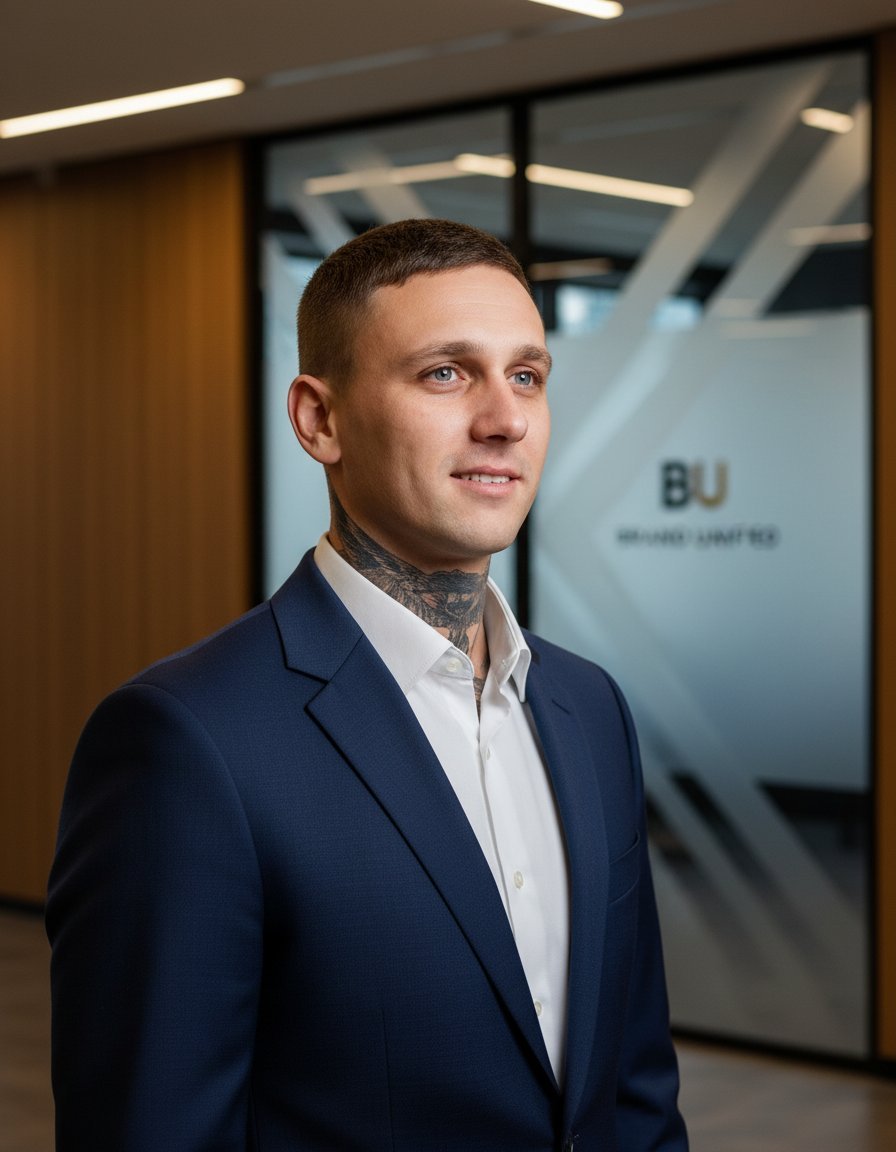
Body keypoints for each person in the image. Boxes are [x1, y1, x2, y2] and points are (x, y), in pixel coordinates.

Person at [47, 218, 688, 1152]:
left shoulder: (589, 708)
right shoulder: (187, 742)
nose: (505, 420)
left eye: (526, 376)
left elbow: (635, 1089)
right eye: (445, 373)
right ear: (320, 421)